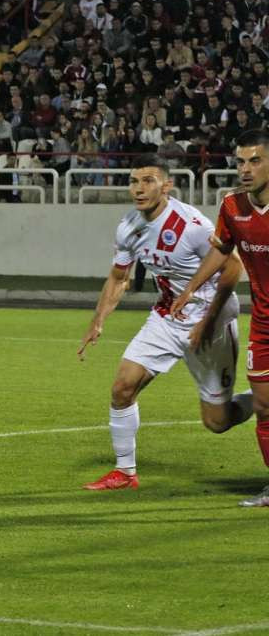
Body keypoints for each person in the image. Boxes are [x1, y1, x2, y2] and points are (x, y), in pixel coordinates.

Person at [78, 155, 250, 491]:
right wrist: (98, 321)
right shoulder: (128, 226)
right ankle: (125, 472)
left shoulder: (192, 226)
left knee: (218, 421)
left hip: (211, 320)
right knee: (122, 388)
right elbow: (119, 277)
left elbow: (232, 267)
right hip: (167, 317)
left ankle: (261, 398)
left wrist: (208, 320)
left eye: (148, 181)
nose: (138, 189)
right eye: (134, 181)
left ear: (166, 186)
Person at [171, 131, 269, 506]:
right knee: (263, 406)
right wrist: (191, 288)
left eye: (255, 160)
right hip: (263, 324)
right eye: (240, 161)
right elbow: (221, 251)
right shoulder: (232, 206)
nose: (245, 169)